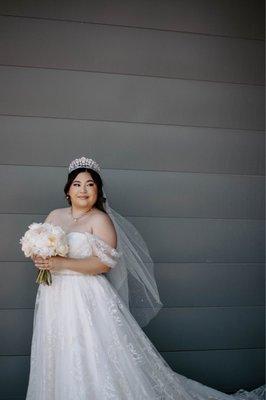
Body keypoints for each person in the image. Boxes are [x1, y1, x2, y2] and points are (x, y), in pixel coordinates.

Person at [25, 157, 265, 400]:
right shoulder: (55, 215)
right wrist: (40, 255)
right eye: (77, 184)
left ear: (98, 191)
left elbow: (104, 264)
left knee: (90, 351)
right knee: (58, 349)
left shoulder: (100, 220)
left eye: (90, 185)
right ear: (68, 190)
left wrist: (62, 263)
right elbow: (40, 247)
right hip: (54, 294)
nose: (83, 190)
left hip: (87, 297)